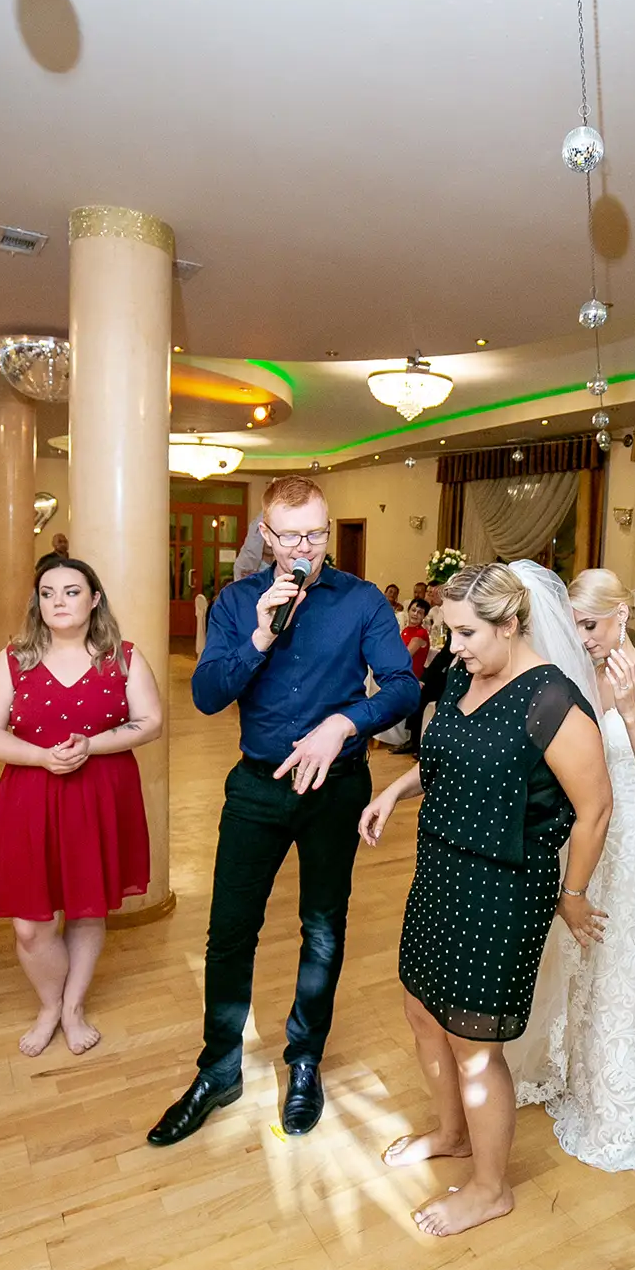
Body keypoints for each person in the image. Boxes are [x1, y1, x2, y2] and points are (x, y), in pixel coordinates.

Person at [147, 476, 419, 1148]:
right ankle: (218, 1070)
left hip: (336, 786)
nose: (305, 547)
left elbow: (404, 686)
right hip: (257, 788)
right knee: (229, 932)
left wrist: (345, 724)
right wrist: (260, 638)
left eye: (316, 533)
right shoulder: (238, 602)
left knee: (322, 928)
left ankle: (305, 1061)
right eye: (290, 535)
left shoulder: (360, 600)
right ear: (266, 535)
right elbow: (207, 695)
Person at [360, 563, 612, 1237]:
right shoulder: (465, 673)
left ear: (511, 623)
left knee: (474, 1043)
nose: (456, 646)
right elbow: (447, 753)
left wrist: (573, 894)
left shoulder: (553, 702)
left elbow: (596, 808)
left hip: (503, 888)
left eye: (468, 632)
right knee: (421, 1009)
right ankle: (452, 1134)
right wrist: (394, 791)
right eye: (451, 631)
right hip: (439, 870)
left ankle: (490, 1188)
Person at [509, 566, 635, 1173]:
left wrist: (628, 711)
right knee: (574, 954)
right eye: (575, 627)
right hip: (581, 835)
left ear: (623, 614)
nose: (584, 638)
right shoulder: (572, 674)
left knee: (620, 959)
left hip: (631, 841)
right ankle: (573, 1073)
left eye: (591, 625)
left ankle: (619, 1105)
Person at [0, 559, 162, 1057]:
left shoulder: (122, 657)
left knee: (86, 908)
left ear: (94, 599)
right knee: (29, 927)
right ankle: (50, 1004)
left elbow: (150, 721)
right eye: (48, 592)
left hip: (99, 794)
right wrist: (40, 757)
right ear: (37, 602)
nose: (58, 601)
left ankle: (71, 1008)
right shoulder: (15, 659)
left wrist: (91, 745)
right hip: (30, 796)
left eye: (72, 591)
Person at [392, 582, 452, 758]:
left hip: (452, 673)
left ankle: (426, 746)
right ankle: (415, 741)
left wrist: (424, 679)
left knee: (425, 694)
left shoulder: (422, 632)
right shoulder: (408, 629)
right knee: (420, 694)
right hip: (438, 670)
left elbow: (444, 655)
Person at [401, 597, 431, 679]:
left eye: (420, 613)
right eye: (413, 610)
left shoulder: (421, 633)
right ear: (408, 611)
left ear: (424, 616)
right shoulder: (405, 630)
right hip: (401, 673)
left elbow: (405, 657)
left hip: (411, 677)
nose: (415, 614)